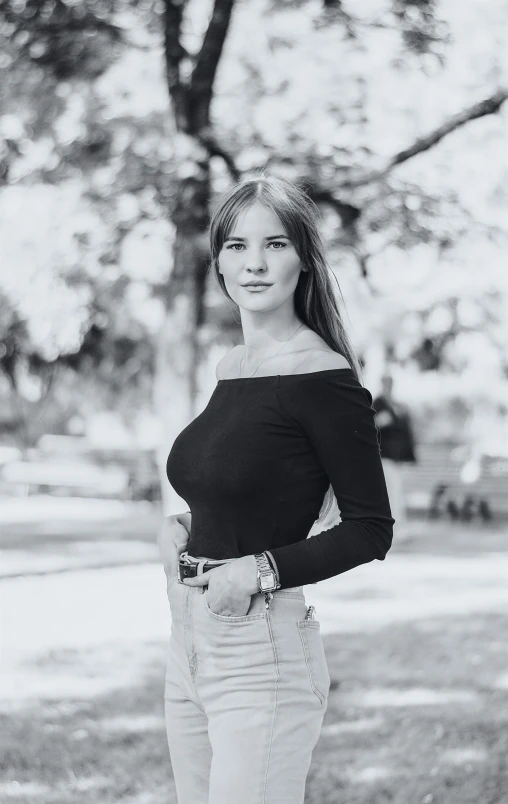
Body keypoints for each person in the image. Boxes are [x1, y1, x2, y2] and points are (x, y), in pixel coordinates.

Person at [158, 174, 395, 804]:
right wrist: (179, 527)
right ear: (219, 264)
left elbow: (372, 529)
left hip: (261, 654)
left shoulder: (323, 377)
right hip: (189, 641)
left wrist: (261, 570)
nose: (254, 263)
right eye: (235, 246)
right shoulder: (232, 368)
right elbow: (238, 484)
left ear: (305, 260)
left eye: (275, 244)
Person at [372, 373, 417, 539]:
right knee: (393, 492)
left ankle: (396, 527)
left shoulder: (397, 405)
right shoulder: (378, 403)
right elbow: (372, 424)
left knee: (395, 492)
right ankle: (395, 528)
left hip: (396, 457)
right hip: (384, 456)